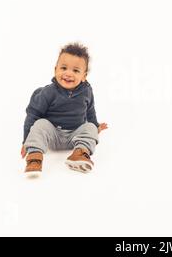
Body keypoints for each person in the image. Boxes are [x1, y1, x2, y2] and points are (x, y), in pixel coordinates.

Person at [21, 42, 108, 177]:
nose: (68, 73)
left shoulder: (87, 91)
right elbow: (33, 114)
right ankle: (34, 157)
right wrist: (26, 141)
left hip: (75, 136)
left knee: (90, 127)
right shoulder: (48, 92)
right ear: (55, 70)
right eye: (63, 68)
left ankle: (79, 153)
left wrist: (96, 125)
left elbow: (90, 110)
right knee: (40, 124)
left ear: (84, 76)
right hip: (52, 134)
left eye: (75, 70)